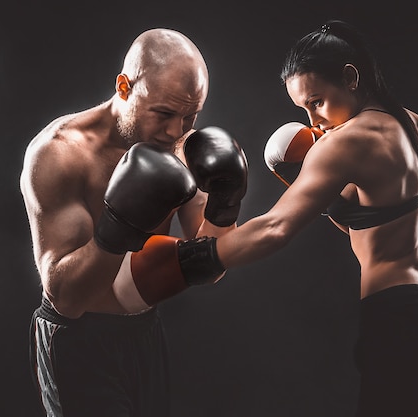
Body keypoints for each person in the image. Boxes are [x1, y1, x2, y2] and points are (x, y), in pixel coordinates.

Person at [174, 20, 418, 416]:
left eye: (316, 101)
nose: (312, 120)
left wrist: (191, 258)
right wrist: (303, 179)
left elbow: (275, 228)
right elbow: (364, 223)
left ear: (351, 78)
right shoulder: (413, 125)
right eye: (303, 108)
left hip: (409, 327)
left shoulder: (344, 142)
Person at [19, 28, 248, 416]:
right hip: (78, 339)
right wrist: (120, 226)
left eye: (190, 116)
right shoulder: (59, 155)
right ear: (124, 86)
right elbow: (66, 297)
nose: (175, 131)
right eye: (163, 113)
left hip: (143, 333)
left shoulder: (182, 147)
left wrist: (224, 205)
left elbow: (211, 266)